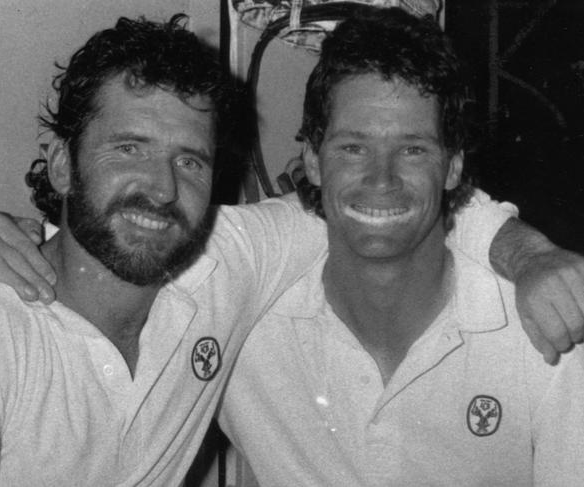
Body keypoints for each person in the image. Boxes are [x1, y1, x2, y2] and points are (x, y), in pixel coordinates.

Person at [0, 8, 584, 487]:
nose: (160, 190)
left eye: (189, 161)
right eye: (128, 148)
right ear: (60, 165)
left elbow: (396, 212)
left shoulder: (229, 262)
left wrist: (531, 257)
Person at [217, 7, 584, 485]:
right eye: (353, 147)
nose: (381, 179)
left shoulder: (547, 331)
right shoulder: (243, 316)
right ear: (311, 159)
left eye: (413, 149)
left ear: (453, 166)